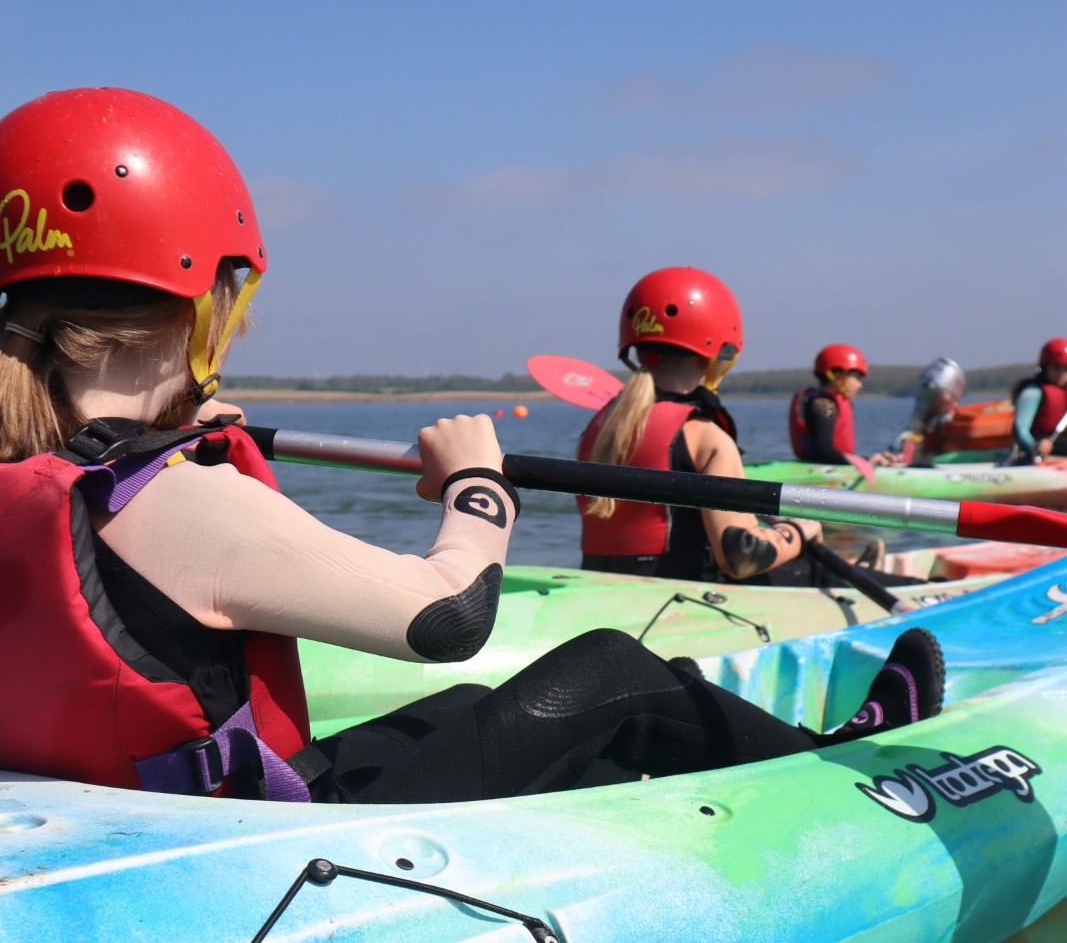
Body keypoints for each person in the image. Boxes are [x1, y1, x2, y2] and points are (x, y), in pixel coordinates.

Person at [0, 88, 945, 807]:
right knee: (612, 667)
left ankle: (698, 744)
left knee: (477, 716)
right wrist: (477, 487)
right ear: (205, 296)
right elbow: (445, 619)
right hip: (258, 846)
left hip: (163, 813)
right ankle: (833, 777)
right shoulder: (167, 501)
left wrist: (169, 439)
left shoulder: (47, 478)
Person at [576, 266, 826, 583]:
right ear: (718, 352)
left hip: (604, 588)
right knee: (815, 570)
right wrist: (801, 530)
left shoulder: (597, 429)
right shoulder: (706, 437)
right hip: (683, 598)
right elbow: (741, 556)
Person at [789, 344, 893, 467]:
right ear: (838, 375)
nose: (860, 385)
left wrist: (868, 460)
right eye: (857, 378)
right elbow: (822, 450)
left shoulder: (825, 402)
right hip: (821, 471)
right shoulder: (825, 405)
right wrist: (864, 462)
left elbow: (831, 454)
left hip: (829, 466)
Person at [1011, 340, 1067, 463]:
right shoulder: (1033, 392)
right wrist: (1035, 445)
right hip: (1039, 446)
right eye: (1056, 368)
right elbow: (1020, 428)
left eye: (1066, 369)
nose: (1062, 374)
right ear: (1045, 367)